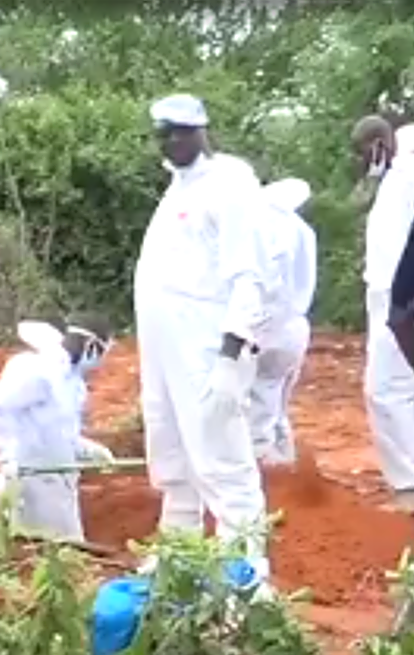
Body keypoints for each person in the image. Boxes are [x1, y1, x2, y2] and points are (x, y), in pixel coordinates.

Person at [134, 94, 276, 577]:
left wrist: (231, 356)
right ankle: (179, 560)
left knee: (222, 461)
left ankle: (245, 575)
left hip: (207, 349)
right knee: (173, 457)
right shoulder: (179, 190)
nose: (171, 141)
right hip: (165, 352)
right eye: (163, 133)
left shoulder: (229, 185)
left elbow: (248, 278)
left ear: (201, 131)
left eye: (180, 132)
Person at [0, 316, 116, 541]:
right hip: (30, 486)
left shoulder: (73, 384)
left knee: (66, 550)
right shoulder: (41, 374)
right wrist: (6, 460)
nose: (100, 362)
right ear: (90, 346)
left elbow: (60, 435)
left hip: (59, 486)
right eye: (101, 352)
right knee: (35, 550)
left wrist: (91, 451)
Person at [352, 114, 414, 512]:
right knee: (407, 391)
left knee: (387, 391)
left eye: (364, 150)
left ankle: (412, 487)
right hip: (393, 298)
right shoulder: (396, 179)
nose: (362, 159)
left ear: (380, 145)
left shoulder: (412, 172)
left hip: (404, 300)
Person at [249, 178, 317, 466]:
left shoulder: (264, 230)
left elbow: (266, 286)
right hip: (295, 326)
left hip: (267, 327)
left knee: (259, 403)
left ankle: (267, 468)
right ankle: (287, 464)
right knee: (277, 403)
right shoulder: (303, 231)